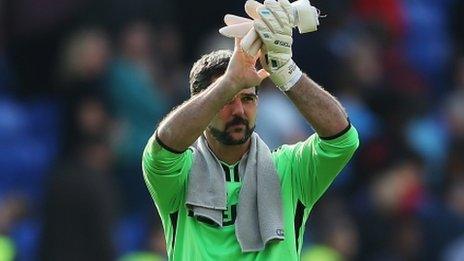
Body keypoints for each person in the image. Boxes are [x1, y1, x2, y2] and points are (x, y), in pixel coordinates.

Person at [142, 0, 359, 259]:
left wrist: (286, 72)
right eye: (226, 100)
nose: (239, 111)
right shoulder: (179, 173)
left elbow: (342, 140)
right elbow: (164, 147)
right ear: (205, 104)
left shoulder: (289, 169)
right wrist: (230, 82)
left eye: (247, 99)